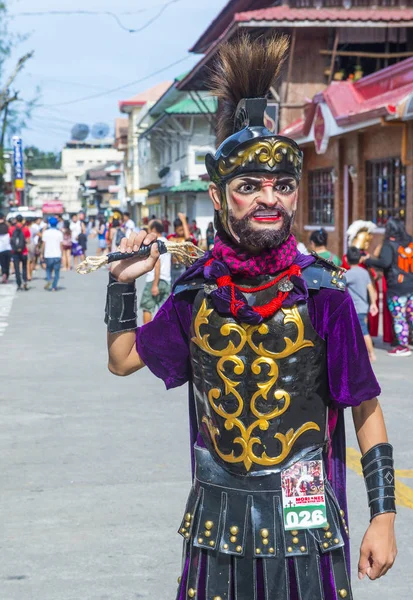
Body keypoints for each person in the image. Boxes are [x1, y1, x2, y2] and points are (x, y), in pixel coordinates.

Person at [104, 36, 396, 599]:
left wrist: (383, 517)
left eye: (282, 186)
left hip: (308, 517)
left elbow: (365, 408)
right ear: (218, 196)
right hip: (217, 521)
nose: (269, 199)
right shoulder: (196, 295)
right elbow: (121, 361)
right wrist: (121, 287)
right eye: (249, 187)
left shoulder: (324, 296)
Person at [364, 217, 413, 357]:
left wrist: (368, 260)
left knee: (399, 317)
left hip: (397, 287)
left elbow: (385, 263)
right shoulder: (410, 242)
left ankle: (403, 346)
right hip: (411, 284)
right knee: (411, 315)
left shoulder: (389, 244)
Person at [345, 246, 378, 361]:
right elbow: (370, 288)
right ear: (360, 259)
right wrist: (373, 303)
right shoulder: (364, 272)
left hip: (355, 308)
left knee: (362, 331)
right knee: (361, 330)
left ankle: (371, 354)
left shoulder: (348, 274)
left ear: (346, 260)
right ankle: (363, 353)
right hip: (364, 307)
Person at [139, 220, 171, 324]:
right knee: (164, 310)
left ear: (153, 230)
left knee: (147, 307)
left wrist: (155, 285)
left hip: (154, 280)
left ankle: (147, 333)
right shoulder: (167, 242)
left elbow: (157, 264)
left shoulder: (155, 244)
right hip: (166, 281)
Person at [167, 213, 197, 284]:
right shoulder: (171, 237)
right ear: (175, 229)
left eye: (184, 229)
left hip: (187, 267)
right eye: (180, 230)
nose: (182, 232)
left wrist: (184, 221)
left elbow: (187, 239)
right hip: (174, 267)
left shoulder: (190, 237)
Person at [41, 216, 63, 291]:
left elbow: (43, 244)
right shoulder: (59, 233)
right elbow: (61, 245)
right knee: (57, 271)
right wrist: (62, 255)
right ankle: (54, 286)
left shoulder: (46, 233)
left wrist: (41, 254)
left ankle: (49, 279)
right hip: (57, 255)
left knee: (48, 270)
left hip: (48, 254)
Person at [9, 214, 30, 291]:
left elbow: (10, 239)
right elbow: (28, 240)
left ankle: (18, 284)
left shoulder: (11, 229)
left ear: (16, 220)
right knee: (24, 267)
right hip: (24, 251)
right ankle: (25, 281)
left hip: (14, 251)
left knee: (17, 268)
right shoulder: (26, 229)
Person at [0, 212, 11, 283]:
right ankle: (6, 275)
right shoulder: (7, 226)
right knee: (7, 263)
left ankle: (4, 274)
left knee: (3, 263)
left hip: (1, 249)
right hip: (8, 248)